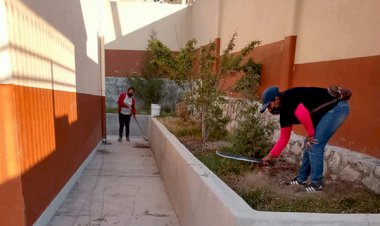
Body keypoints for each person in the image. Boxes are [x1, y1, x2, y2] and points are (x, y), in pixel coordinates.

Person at [260, 86, 349, 192]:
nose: (270, 110)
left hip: (337, 108)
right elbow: (284, 138)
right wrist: (270, 156)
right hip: (326, 112)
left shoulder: (289, 98)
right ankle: (301, 179)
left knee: (314, 144)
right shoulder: (284, 113)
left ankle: (317, 184)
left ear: (276, 99)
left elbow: (303, 113)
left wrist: (311, 135)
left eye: (269, 106)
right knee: (308, 143)